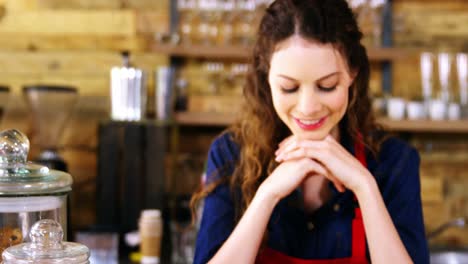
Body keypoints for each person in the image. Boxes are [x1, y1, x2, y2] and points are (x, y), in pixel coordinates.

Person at [191, 0, 429, 263]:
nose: (308, 108)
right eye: (289, 88)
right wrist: (267, 195)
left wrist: (365, 187)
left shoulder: (394, 161)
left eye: (327, 86)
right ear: (267, 77)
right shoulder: (230, 154)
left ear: (352, 73)